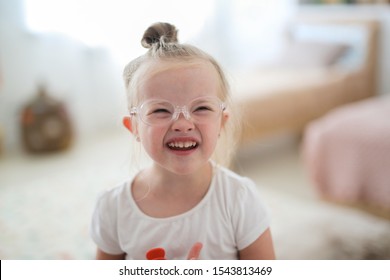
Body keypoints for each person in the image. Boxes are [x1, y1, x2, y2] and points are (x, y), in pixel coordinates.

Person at [90, 22, 275, 260]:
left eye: (201, 107)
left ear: (221, 122)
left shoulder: (239, 199)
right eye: (160, 111)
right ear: (134, 126)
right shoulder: (113, 209)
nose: (182, 123)